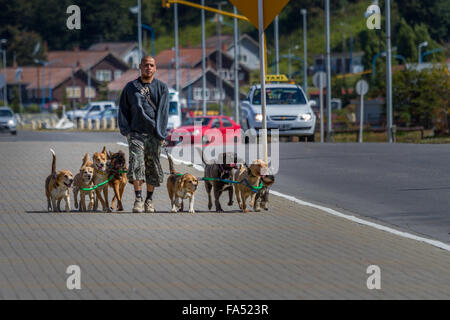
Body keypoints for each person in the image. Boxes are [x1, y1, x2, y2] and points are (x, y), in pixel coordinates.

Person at [118, 56, 169, 213]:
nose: (148, 67)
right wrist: (126, 132)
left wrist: (161, 134)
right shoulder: (130, 87)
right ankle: (138, 199)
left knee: (152, 167)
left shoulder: (162, 87)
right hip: (136, 134)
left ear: (155, 68)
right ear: (140, 66)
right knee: (136, 165)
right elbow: (123, 110)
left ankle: (149, 200)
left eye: (151, 65)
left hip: (154, 134)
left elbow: (163, 112)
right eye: (146, 65)